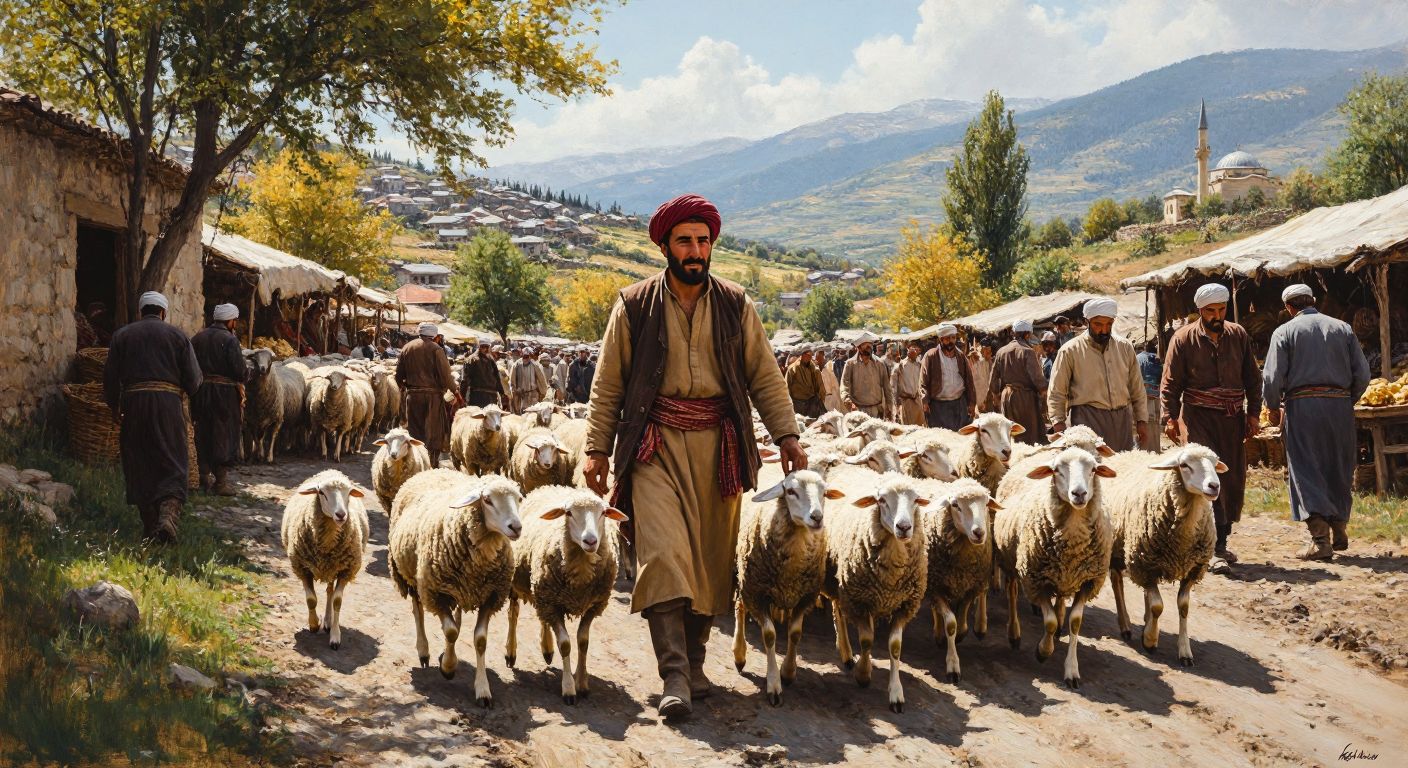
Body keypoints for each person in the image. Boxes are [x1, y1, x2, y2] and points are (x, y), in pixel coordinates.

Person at [582, 194, 802, 721]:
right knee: (664, 555)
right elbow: (608, 382)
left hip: (719, 446)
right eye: (685, 240)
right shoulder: (634, 305)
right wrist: (596, 448)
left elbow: (763, 374)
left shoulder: (735, 303)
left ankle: (698, 664)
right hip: (654, 444)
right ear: (665, 245)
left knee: (708, 562)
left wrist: (788, 435)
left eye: (703, 241)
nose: (696, 250)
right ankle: (674, 674)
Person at [1263, 283, 1370, 561]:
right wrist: (1347, 400)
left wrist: (1273, 407)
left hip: (1303, 407)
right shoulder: (1343, 328)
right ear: (1313, 301)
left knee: (1306, 468)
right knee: (1338, 465)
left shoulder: (1284, 331)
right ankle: (1340, 528)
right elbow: (1363, 374)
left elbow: (1272, 377)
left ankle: (1321, 540)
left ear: (1289, 307)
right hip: (1339, 407)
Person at [1161, 283, 1261, 572]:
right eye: (1210, 311)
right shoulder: (1182, 339)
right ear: (1200, 311)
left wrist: (1253, 413)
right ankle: (1210, 545)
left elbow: (1252, 379)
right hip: (1197, 419)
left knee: (1230, 478)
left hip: (1231, 420)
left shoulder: (1238, 335)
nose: (1217, 315)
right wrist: (1169, 417)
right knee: (1205, 475)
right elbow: (1170, 384)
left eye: (1221, 309)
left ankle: (1222, 541)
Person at [103, 291, 202, 543]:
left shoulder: (122, 336)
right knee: (172, 460)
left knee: (139, 460)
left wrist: (115, 406)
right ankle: (167, 516)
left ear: (141, 311)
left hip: (133, 403)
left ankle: (149, 526)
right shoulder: (178, 336)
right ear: (163, 312)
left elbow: (111, 378)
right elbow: (194, 380)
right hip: (167, 405)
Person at [1048, 298, 1148, 451]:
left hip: (1122, 421)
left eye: (1109, 324)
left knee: (1124, 469)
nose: (1104, 330)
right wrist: (1059, 425)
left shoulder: (1125, 348)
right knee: (1094, 470)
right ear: (1087, 322)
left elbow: (1137, 388)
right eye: (1098, 324)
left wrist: (1141, 420)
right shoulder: (1070, 351)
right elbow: (1056, 393)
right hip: (1086, 421)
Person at [190, 303, 249, 496]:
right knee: (223, 434)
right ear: (230, 321)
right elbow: (239, 371)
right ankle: (221, 483)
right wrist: (248, 373)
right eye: (235, 321)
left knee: (204, 432)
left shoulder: (197, 338)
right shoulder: (230, 340)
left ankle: (203, 477)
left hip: (201, 393)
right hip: (224, 396)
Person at [395, 322, 459, 465]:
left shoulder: (407, 347)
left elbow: (398, 376)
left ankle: (415, 461)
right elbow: (446, 375)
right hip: (433, 397)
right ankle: (432, 461)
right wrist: (455, 391)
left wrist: (406, 386)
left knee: (415, 430)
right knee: (434, 429)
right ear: (435, 336)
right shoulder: (436, 349)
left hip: (413, 396)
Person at [989, 321, 1046, 444]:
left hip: (1006, 396)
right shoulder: (1027, 351)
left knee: (1009, 434)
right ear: (1027, 335)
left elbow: (993, 380)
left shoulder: (1001, 351)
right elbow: (1038, 379)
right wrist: (1044, 393)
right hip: (1024, 399)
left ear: (1013, 333)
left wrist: (996, 396)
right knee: (1027, 435)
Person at [920, 325, 976, 430]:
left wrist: (972, 403)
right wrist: (925, 401)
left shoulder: (961, 356)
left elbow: (969, 381)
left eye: (953, 338)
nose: (951, 341)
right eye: (947, 338)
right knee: (941, 439)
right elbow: (924, 382)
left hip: (959, 405)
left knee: (960, 437)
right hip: (938, 406)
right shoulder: (931, 356)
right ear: (941, 339)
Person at [840, 338, 891, 418]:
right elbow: (844, 386)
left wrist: (889, 407)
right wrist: (848, 402)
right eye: (866, 346)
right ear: (859, 348)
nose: (869, 347)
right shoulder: (850, 364)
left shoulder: (879, 363)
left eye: (870, 345)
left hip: (877, 410)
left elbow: (887, 387)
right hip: (858, 411)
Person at [459, 338, 505, 408]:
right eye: (483, 346)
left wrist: (502, 393)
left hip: (491, 397)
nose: (485, 349)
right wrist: (461, 397)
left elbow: (497, 377)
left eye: (487, 347)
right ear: (479, 347)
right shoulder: (471, 360)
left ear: (489, 347)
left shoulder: (491, 359)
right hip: (477, 397)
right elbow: (465, 380)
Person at [785, 344, 826, 419]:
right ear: (803, 355)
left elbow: (820, 386)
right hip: (798, 403)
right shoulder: (792, 369)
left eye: (811, 355)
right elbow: (786, 386)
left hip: (812, 402)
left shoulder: (814, 369)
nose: (810, 357)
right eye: (808, 354)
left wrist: (821, 397)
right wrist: (788, 402)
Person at [1137, 339, 1164, 453]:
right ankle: (1155, 451)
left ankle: (1145, 452)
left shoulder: (1138, 358)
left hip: (1143, 398)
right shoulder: (1160, 360)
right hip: (1157, 397)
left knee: (1144, 423)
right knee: (1154, 425)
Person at [891, 342, 925, 426]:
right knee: (907, 430)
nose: (914, 350)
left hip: (918, 402)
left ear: (919, 351)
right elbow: (893, 387)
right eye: (912, 347)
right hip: (906, 402)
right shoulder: (900, 366)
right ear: (907, 349)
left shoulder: (920, 366)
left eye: (916, 348)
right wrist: (896, 404)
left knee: (920, 430)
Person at [511, 346, 548, 413]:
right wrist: (515, 392)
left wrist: (543, 392)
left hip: (533, 395)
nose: (526, 358)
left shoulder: (535, 365)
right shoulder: (516, 365)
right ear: (521, 355)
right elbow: (512, 381)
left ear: (531, 355)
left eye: (527, 356)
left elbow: (541, 380)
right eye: (524, 356)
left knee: (533, 415)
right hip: (520, 396)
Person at [969, 338, 994, 412]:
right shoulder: (977, 362)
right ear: (983, 350)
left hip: (988, 394)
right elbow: (976, 381)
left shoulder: (988, 362)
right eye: (988, 351)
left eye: (990, 351)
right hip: (979, 397)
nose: (991, 354)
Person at [819, 345, 842, 413]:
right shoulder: (822, 369)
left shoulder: (829, 368)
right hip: (826, 397)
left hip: (832, 396)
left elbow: (835, 384)